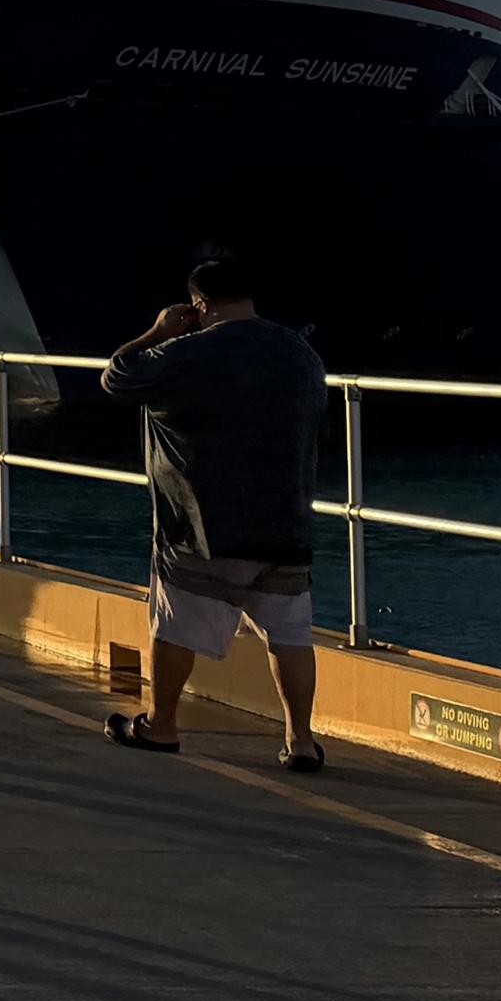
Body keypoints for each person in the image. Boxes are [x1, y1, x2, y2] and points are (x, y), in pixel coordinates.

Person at [100, 256, 330, 769]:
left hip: (202, 526)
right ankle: (301, 741)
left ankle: (161, 726)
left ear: (200, 305)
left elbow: (117, 377)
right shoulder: (301, 354)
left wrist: (158, 331)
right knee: (290, 634)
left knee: (174, 626)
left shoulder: (188, 352)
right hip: (287, 525)